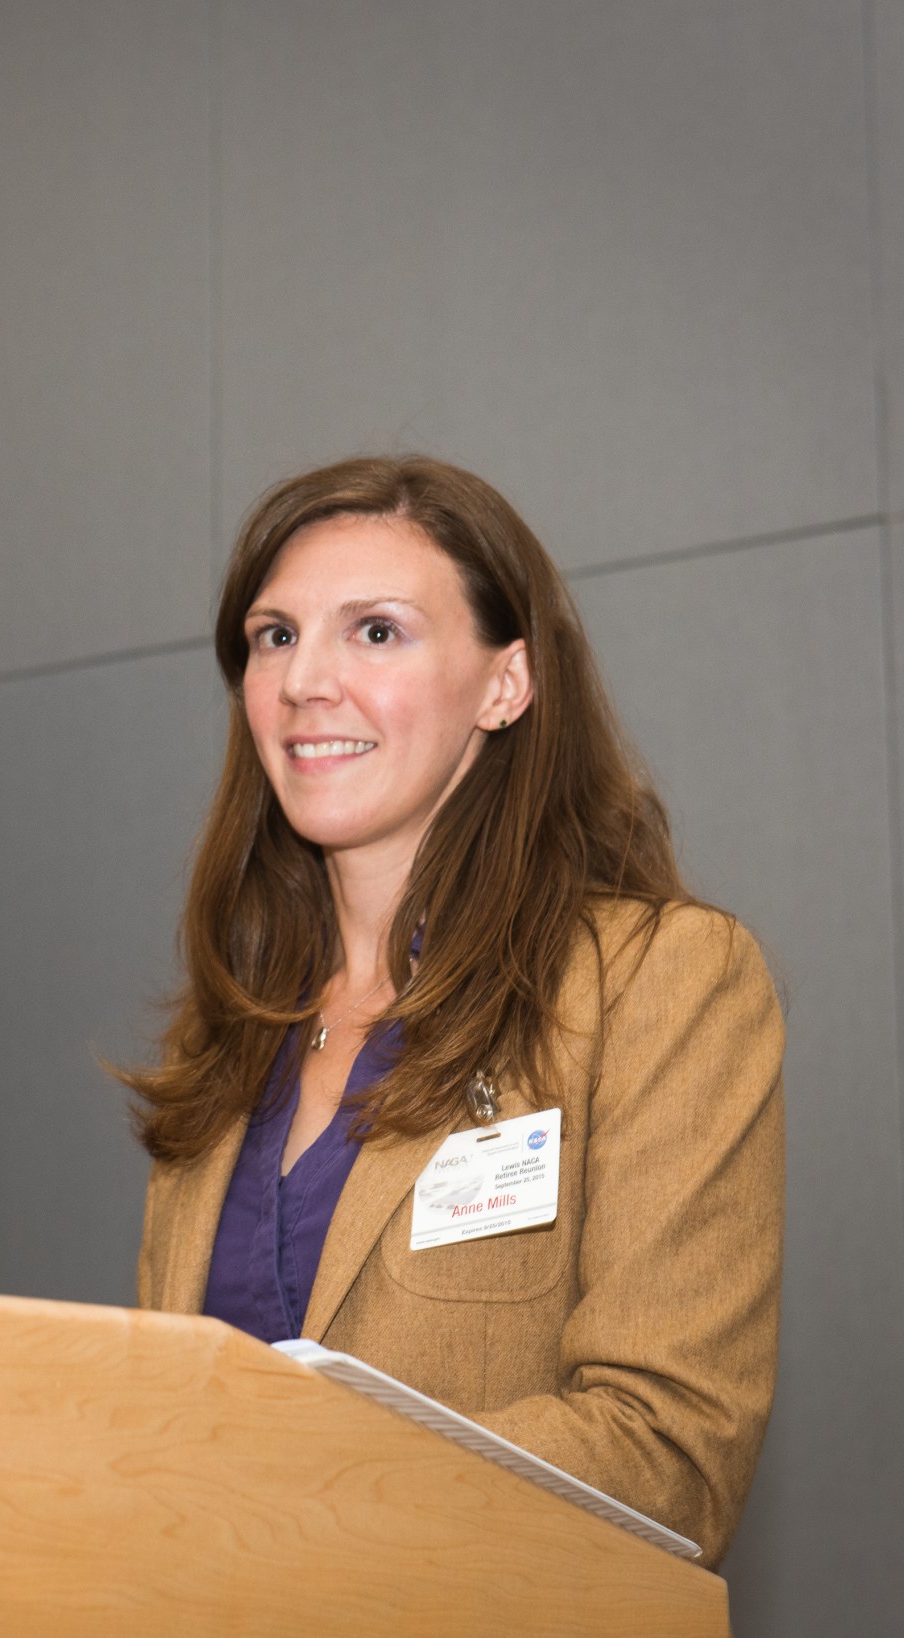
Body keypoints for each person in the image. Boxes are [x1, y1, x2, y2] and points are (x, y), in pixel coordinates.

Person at [124, 454, 784, 1567]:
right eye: (273, 636)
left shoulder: (656, 982)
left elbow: (670, 1453)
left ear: (503, 684)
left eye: (374, 632)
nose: (302, 682)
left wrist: (302, 1505)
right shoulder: (226, 1043)